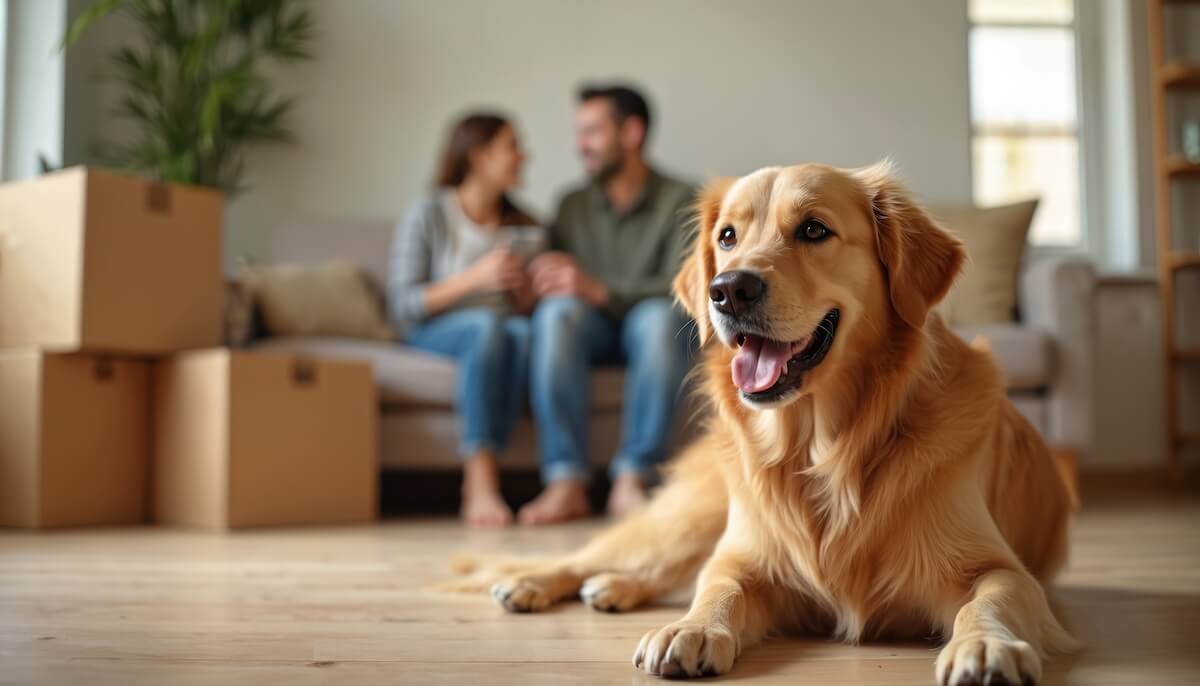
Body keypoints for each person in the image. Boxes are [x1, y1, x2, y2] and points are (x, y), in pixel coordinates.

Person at [519, 84, 695, 525]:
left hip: (651, 327)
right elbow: (557, 282)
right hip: (591, 330)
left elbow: (685, 287)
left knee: (658, 320)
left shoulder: (683, 200)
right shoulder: (571, 204)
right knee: (556, 314)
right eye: (579, 133)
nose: (581, 145)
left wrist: (599, 290)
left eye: (593, 132)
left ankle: (633, 477)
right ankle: (565, 481)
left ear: (632, 133)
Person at [388, 113, 544, 528]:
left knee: (523, 332)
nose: (522, 156)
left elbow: (526, 310)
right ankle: (478, 478)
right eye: (512, 146)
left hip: (502, 328)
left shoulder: (525, 225)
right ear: (478, 156)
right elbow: (403, 302)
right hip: (434, 327)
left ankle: (499, 459)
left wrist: (527, 294)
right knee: (486, 327)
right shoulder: (429, 214)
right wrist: (477, 278)